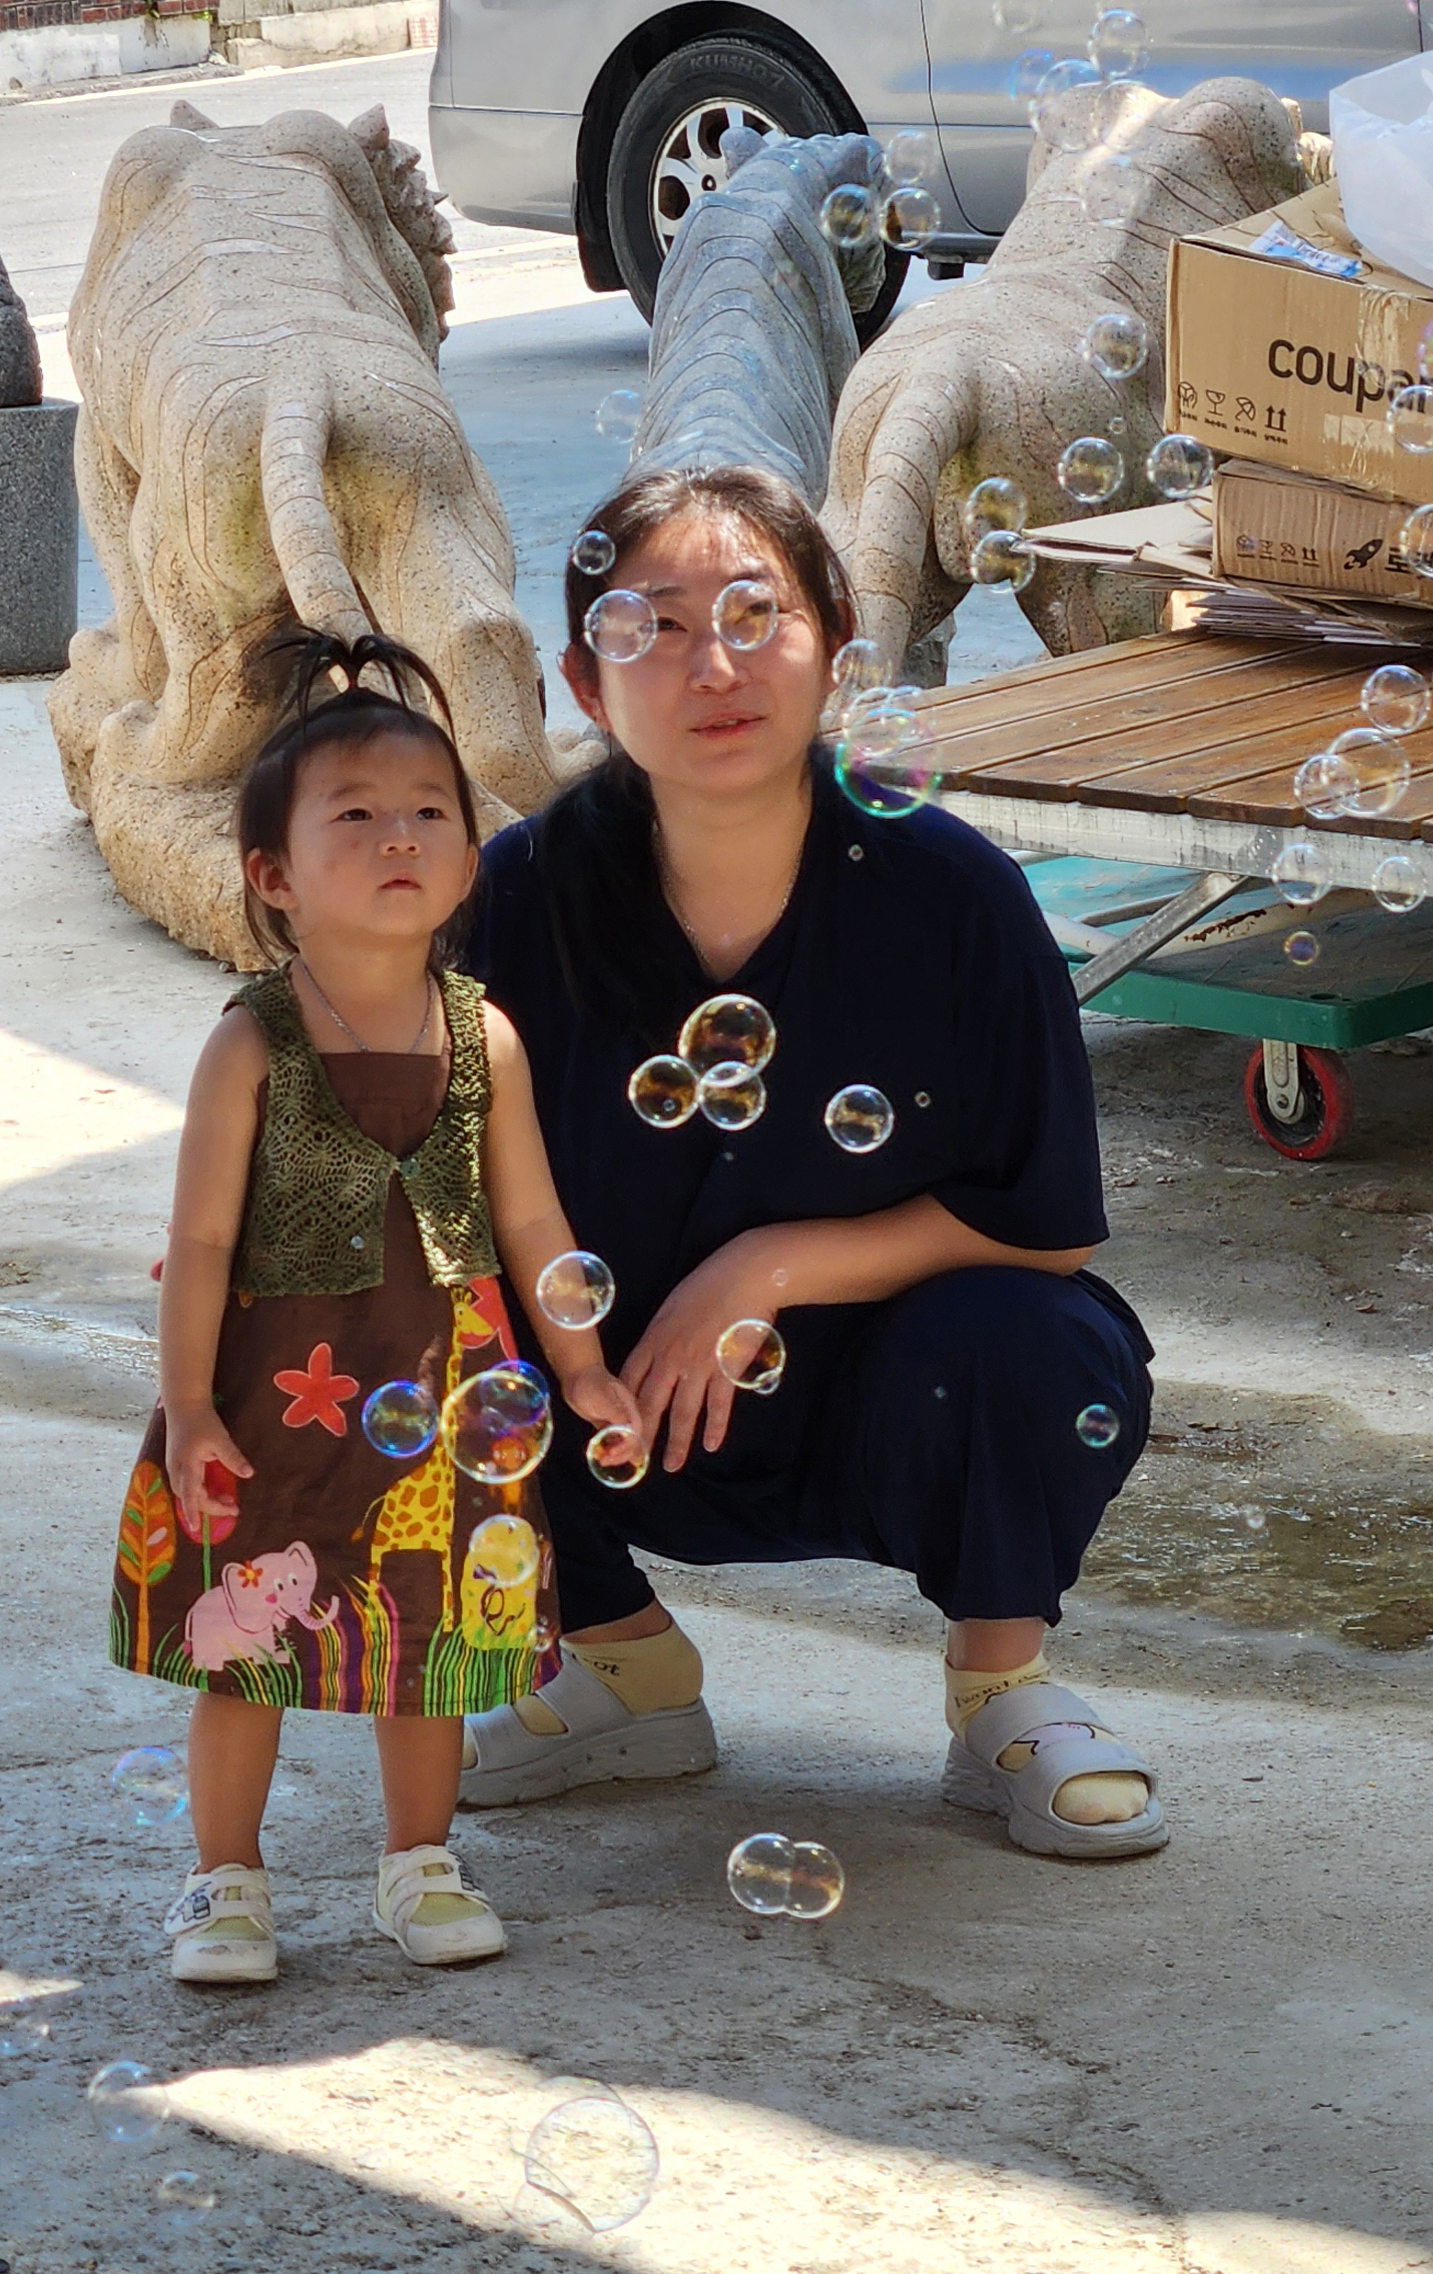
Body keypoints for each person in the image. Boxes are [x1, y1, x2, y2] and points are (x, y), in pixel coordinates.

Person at [460, 464, 1167, 1861]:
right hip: (608, 1403)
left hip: (881, 1401)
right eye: (654, 627)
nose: (712, 667)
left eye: (753, 614)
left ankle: (1001, 1693)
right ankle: (618, 1662)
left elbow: (1045, 1226)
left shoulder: (954, 895)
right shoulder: (518, 895)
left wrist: (763, 1268)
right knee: (396, 1320)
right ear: (583, 683)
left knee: (1037, 1340)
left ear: (837, 645)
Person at [111, 630, 643, 1984]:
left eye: (429, 813)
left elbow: (533, 1223)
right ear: (273, 876)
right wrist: (187, 1407)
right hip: (272, 1394)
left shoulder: (484, 1037)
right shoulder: (250, 1040)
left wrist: (581, 1367)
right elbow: (201, 1237)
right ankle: (224, 1880)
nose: (399, 836)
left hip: (446, 1388)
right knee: (247, 1644)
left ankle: (420, 1860)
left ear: (468, 861)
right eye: (353, 816)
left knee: (431, 1635)